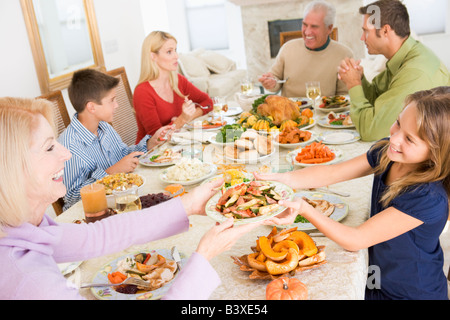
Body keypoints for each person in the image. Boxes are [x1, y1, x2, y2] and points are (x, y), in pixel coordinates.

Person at [0, 97, 261, 300]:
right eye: (49, 147)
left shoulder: (22, 228)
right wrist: (204, 257)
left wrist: (189, 204)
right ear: (10, 170)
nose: (66, 154)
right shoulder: (31, 283)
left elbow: (98, 235)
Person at [256, 87, 450, 300]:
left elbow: (356, 240)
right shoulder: (387, 152)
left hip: (409, 292)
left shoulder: (428, 198)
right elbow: (332, 173)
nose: (394, 138)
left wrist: (304, 208)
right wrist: (284, 179)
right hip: (379, 275)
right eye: (398, 123)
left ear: (436, 152)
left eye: (410, 139)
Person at [58, 69, 171, 211]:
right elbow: (72, 198)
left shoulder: (104, 127)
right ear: (91, 107)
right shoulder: (69, 146)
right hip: (93, 214)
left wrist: (150, 144)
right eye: (112, 100)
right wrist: (110, 172)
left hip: (121, 201)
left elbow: (123, 155)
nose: (117, 105)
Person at [338, 0, 450, 142]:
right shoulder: (403, 56)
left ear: (385, 31)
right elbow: (377, 99)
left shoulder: (414, 72)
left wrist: (353, 84)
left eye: (366, 31)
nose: (362, 38)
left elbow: (371, 132)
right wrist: (360, 79)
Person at [258, 0, 353, 97]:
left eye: (314, 27)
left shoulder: (344, 54)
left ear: (329, 28)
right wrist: (271, 83)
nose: (307, 32)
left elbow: (344, 97)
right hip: (289, 110)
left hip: (324, 111)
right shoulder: (288, 48)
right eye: (305, 25)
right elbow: (276, 79)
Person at [133, 31, 213, 142]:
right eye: (169, 52)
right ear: (153, 56)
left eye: (175, 50)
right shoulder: (142, 92)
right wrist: (182, 119)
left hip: (177, 143)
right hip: (152, 154)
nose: (176, 56)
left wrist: (189, 116)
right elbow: (158, 139)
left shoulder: (178, 80)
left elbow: (208, 103)